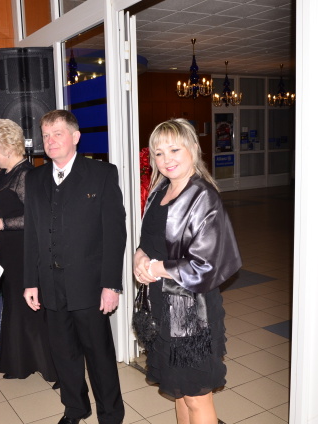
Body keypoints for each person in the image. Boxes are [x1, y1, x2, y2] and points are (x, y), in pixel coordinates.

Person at [133, 119, 241, 424]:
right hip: (161, 304)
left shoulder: (203, 197)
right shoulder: (160, 191)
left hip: (191, 311)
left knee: (195, 395)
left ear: (193, 148)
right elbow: (149, 241)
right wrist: (140, 257)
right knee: (178, 390)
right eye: (158, 153)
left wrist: (156, 267)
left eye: (174, 150)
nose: (166, 159)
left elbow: (206, 265)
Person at [23, 110, 126, 424]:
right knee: (63, 354)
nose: (50, 141)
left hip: (90, 285)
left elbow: (115, 234)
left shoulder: (102, 174)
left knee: (99, 356)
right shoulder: (35, 178)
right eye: (46, 135)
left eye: (58, 133)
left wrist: (111, 284)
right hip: (50, 285)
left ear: (75, 137)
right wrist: (30, 281)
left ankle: (111, 415)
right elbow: (32, 234)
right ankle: (75, 408)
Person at [0, 119, 58, 383]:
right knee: (16, 305)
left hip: (26, 251)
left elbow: (38, 217)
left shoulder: (26, 175)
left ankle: (51, 366)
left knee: (32, 308)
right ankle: (21, 362)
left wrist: (3, 224)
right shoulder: (5, 173)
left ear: (6, 147)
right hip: (8, 251)